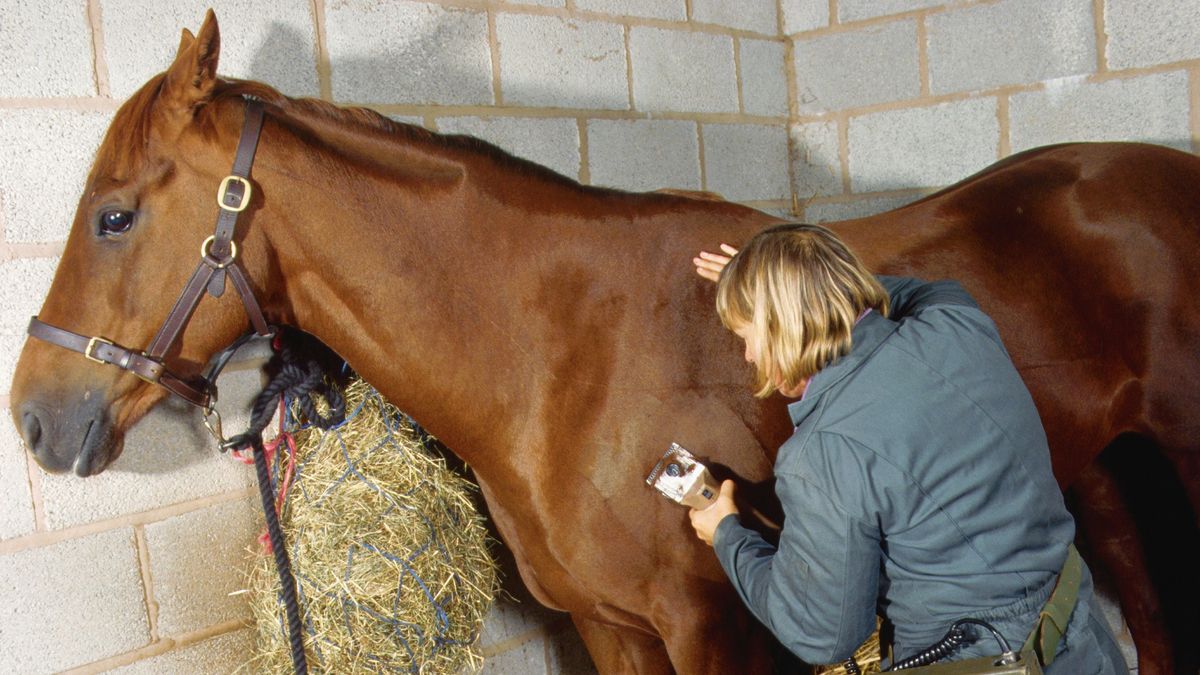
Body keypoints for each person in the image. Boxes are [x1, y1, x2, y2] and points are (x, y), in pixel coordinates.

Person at [688, 224, 1126, 672]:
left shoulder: (822, 454)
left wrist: (727, 535)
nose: (747, 356)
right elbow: (930, 291)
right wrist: (808, 290)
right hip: (1080, 636)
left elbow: (822, 634)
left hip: (983, 659)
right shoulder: (956, 325)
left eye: (747, 335)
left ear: (782, 327)